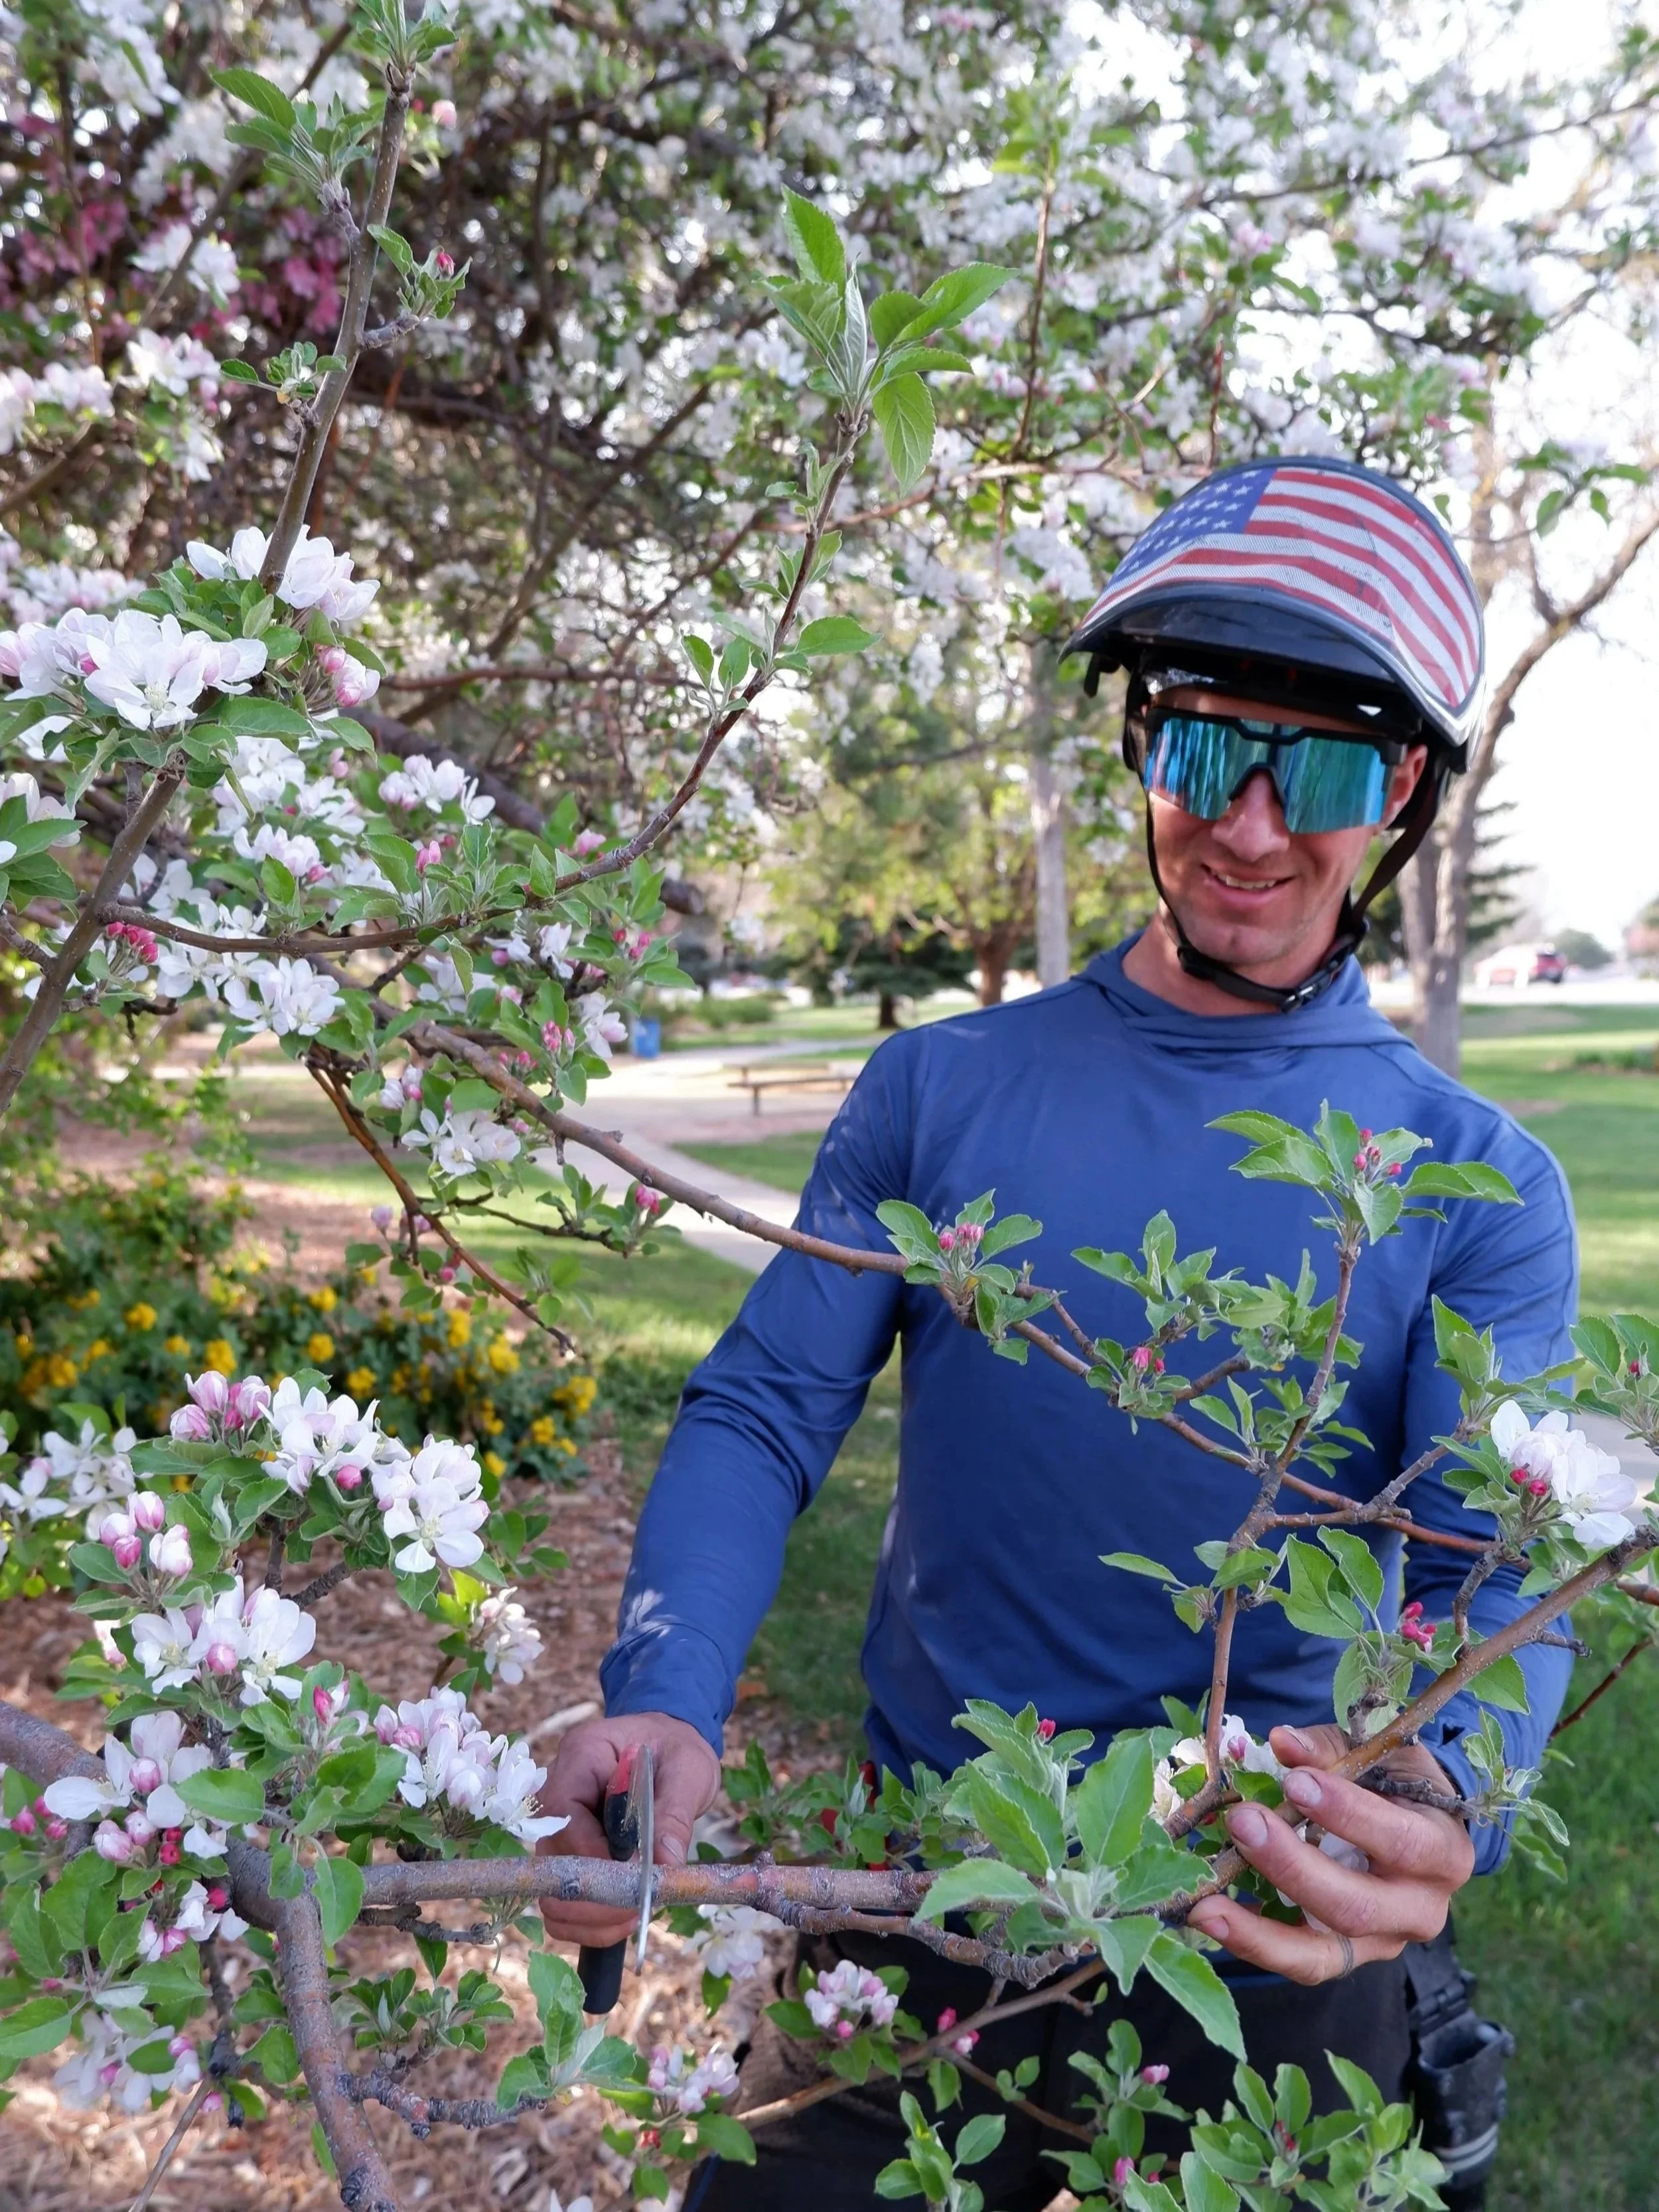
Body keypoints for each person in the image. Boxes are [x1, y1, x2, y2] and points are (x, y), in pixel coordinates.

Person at [538, 457, 1578, 2207]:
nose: (1247, 824)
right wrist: (668, 1701)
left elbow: (1490, 1561)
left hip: (1269, 1939)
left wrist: (1448, 1787)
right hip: (918, 1912)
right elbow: (768, 1401)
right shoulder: (939, 1086)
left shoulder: (1477, 1181)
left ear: (1396, 785)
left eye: (1312, 761)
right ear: (1136, 745)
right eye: (1199, 747)